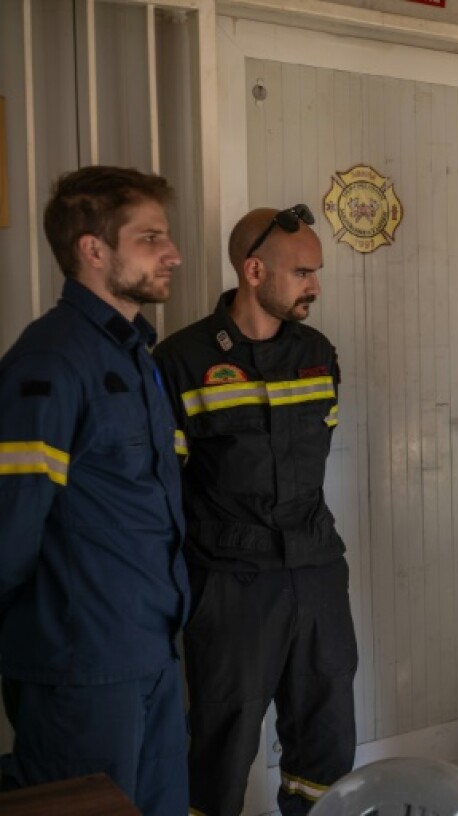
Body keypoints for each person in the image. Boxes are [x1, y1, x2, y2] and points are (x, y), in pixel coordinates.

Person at [153, 205, 357, 815]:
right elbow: (164, 491)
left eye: (316, 273)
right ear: (253, 271)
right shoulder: (181, 361)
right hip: (231, 584)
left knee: (327, 735)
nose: (315, 287)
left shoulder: (318, 352)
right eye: (302, 274)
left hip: (316, 571)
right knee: (220, 744)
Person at [0, 166, 190, 812]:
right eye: (151, 238)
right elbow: (9, 530)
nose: (174, 254)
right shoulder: (50, 361)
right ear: (94, 250)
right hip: (80, 666)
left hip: (150, 646)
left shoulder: (134, 357)